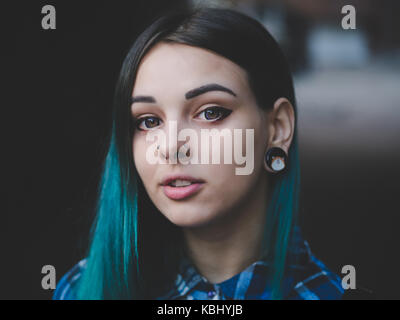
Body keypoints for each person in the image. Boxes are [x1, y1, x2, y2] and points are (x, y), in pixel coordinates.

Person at [53, 7, 344, 300]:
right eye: (148, 121)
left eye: (210, 112)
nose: (170, 147)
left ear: (278, 129)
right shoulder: (79, 289)